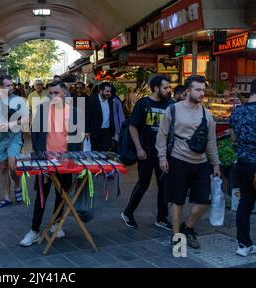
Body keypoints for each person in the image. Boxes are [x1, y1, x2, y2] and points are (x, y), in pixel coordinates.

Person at [156, 75, 221, 249]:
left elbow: (211, 141)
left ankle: (188, 227)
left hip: (201, 163)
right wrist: (162, 157)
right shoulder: (173, 110)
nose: (202, 93)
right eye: (198, 90)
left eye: (203, 90)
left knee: (204, 202)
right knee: (177, 201)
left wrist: (215, 164)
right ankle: (177, 236)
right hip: (178, 161)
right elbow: (162, 134)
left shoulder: (207, 115)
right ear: (187, 91)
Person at [20, 80, 83, 246]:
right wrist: (39, 154)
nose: (53, 96)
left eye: (56, 93)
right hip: (45, 160)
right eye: (51, 93)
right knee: (41, 195)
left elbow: (77, 139)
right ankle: (34, 230)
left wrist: (73, 159)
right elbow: (35, 134)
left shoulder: (75, 112)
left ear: (65, 92)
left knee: (62, 194)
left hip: (65, 161)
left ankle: (56, 223)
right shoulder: (43, 110)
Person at [121, 75, 172, 230]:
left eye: (169, 87)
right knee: (143, 184)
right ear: (156, 88)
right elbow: (133, 126)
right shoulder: (143, 103)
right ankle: (128, 213)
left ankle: (161, 218)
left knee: (164, 186)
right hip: (146, 152)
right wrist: (139, 148)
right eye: (165, 87)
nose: (169, 90)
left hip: (163, 154)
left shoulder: (170, 105)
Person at [0, 75, 29, 208]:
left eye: (12, 85)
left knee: (12, 166)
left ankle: (17, 185)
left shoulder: (18, 100)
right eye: (8, 85)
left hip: (14, 138)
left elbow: (27, 119)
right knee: (3, 169)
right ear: (0, 87)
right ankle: (6, 197)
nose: (12, 87)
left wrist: (12, 124)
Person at [229, 79, 256, 257]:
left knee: (245, 203)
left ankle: (243, 245)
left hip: (243, 164)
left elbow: (233, 139)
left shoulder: (238, 112)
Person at [85, 82, 115, 152]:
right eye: (107, 91)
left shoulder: (110, 100)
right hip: (94, 131)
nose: (109, 93)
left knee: (104, 153)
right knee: (94, 153)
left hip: (106, 132)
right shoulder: (92, 100)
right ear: (101, 91)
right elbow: (87, 116)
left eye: (110, 92)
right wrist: (86, 131)